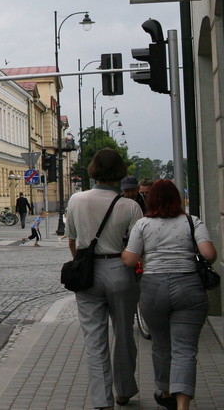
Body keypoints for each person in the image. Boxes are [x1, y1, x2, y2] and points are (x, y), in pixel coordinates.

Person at [123, 179, 217, 410]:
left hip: (154, 288)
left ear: (151, 200)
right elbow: (210, 254)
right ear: (177, 199)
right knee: (185, 347)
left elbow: (131, 260)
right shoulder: (191, 221)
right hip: (189, 287)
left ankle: (165, 390)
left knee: (161, 343)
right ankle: (183, 404)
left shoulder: (143, 224)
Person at [65, 148, 144, 410]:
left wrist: (83, 263)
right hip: (120, 271)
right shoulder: (131, 206)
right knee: (123, 335)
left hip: (87, 274)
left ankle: (102, 401)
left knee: (94, 340)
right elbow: (137, 248)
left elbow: (73, 241)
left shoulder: (76, 200)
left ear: (94, 170)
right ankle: (124, 390)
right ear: (120, 173)